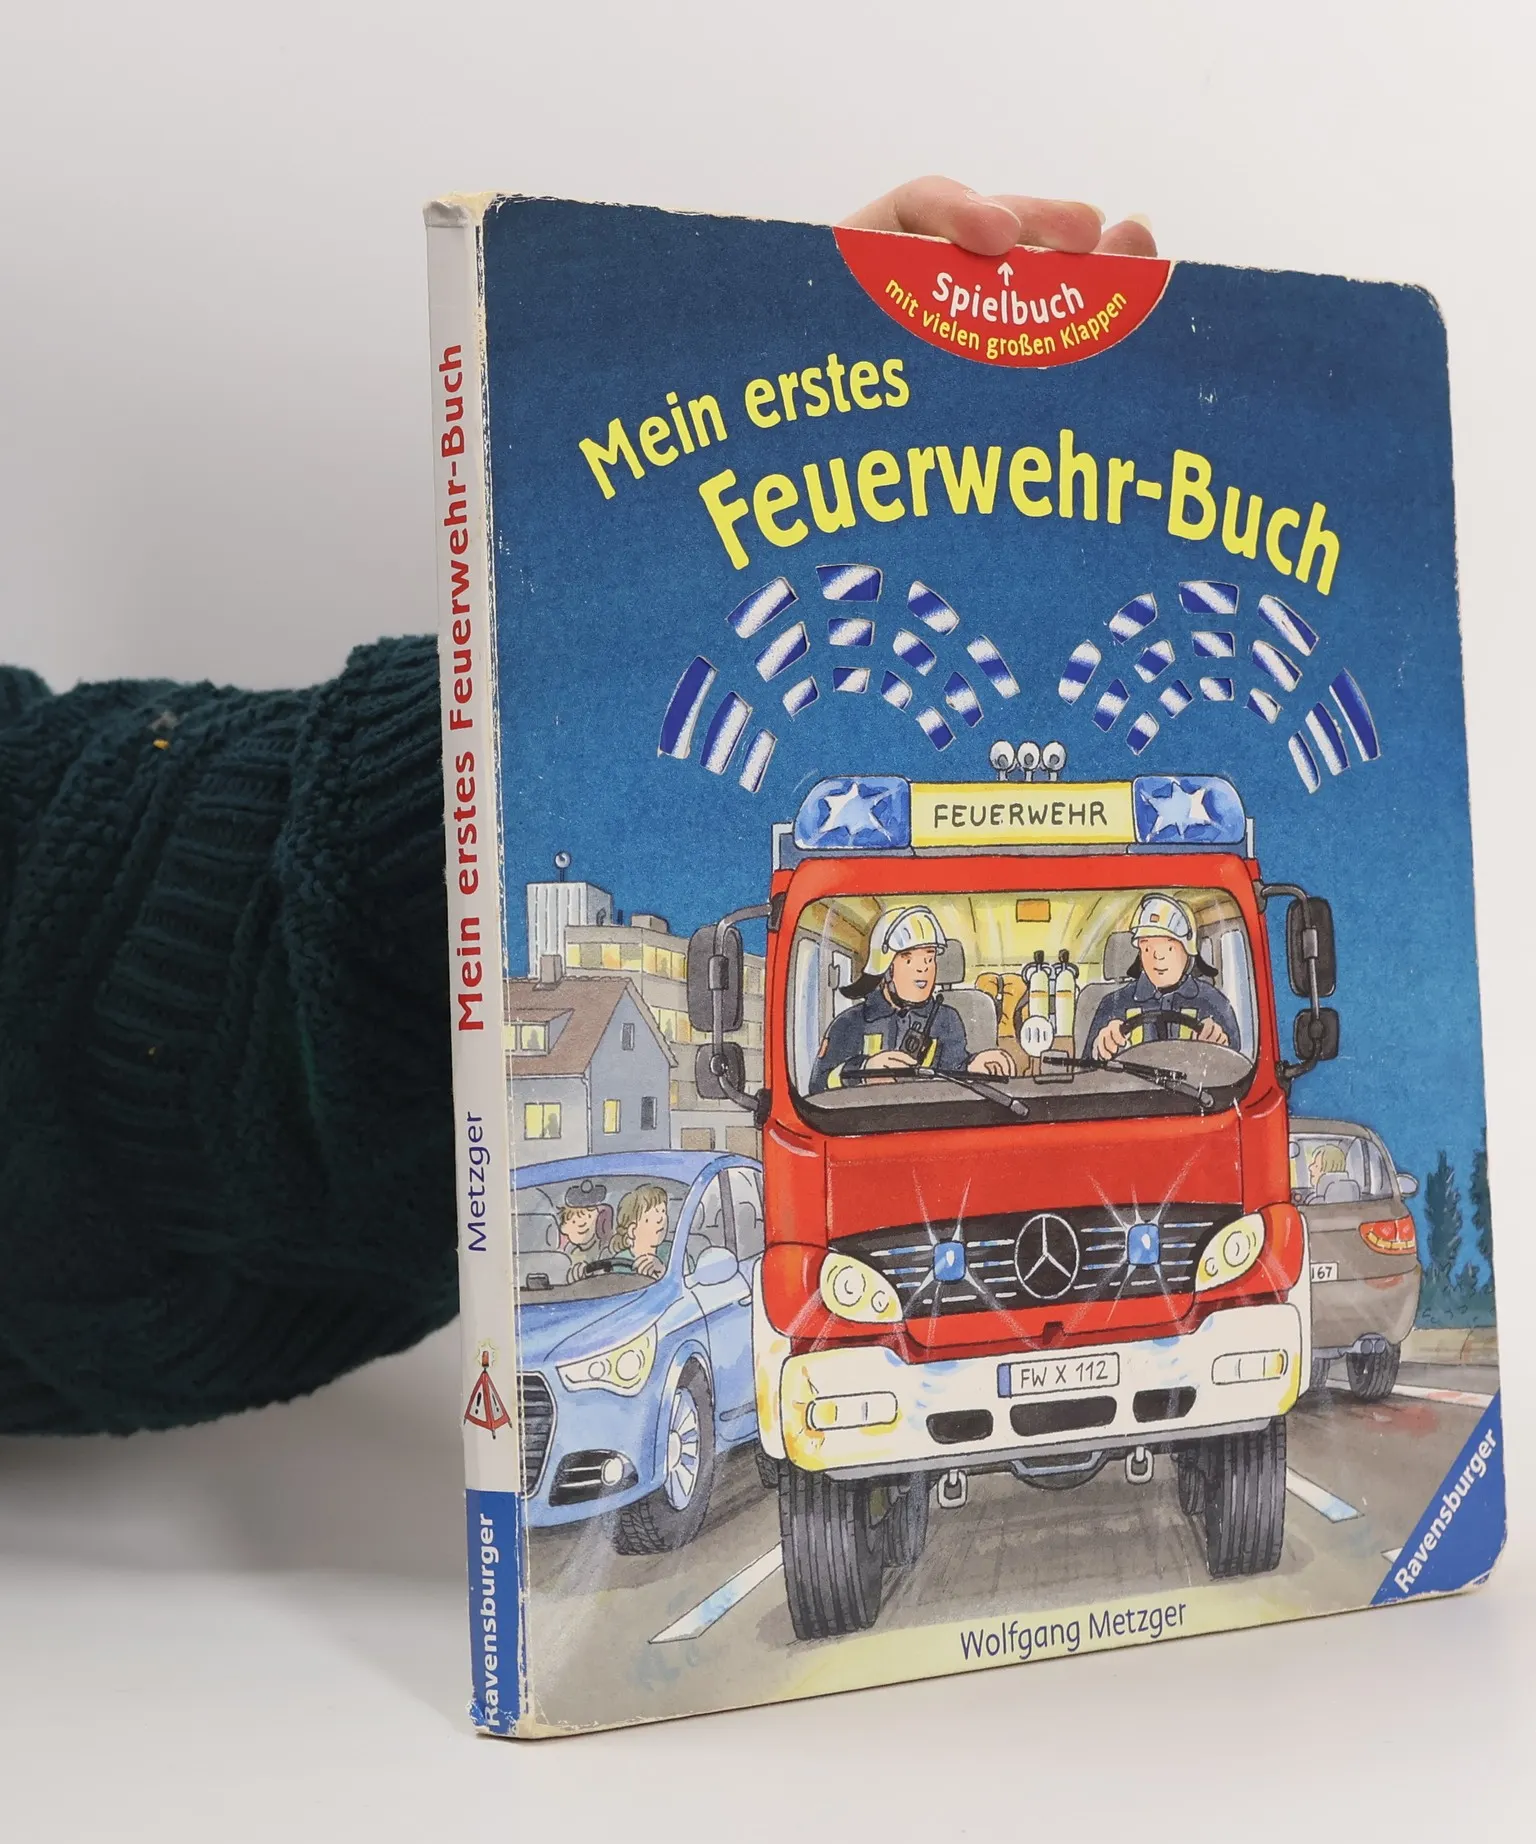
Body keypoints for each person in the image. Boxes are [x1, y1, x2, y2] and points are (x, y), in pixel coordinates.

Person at [0, 179, 1153, 1437]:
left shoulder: (982, 1020)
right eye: (913, 955)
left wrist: (531, 740)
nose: (922, 972)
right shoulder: (842, 1026)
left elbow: (69, 933)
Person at [812, 905, 1017, 1093]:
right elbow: (817, 1086)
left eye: (929, 958)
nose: (923, 968)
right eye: (908, 959)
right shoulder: (849, 1023)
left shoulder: (947, 1019)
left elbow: (954, 1070)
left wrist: (974, 1067)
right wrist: (864, 1070)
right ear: (885, 967)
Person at [1083, 894, 1242, 1063]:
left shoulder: (1213, 1002)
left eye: (1169, 948)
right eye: (1147, 948)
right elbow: (1086, 1069)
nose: (1158, 956)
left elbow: (1237, 1066)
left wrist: (1220, 1045)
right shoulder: (1113, 1004)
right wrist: (1100, 1047)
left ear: (1188, 949)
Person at [610, 1183, 671, 1281]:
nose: (661, 1219)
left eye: (663, 1211)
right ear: (632, 1230)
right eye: (651, 1217)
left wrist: (664, 1273)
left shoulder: (671, 1251)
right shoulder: (619, 1262)